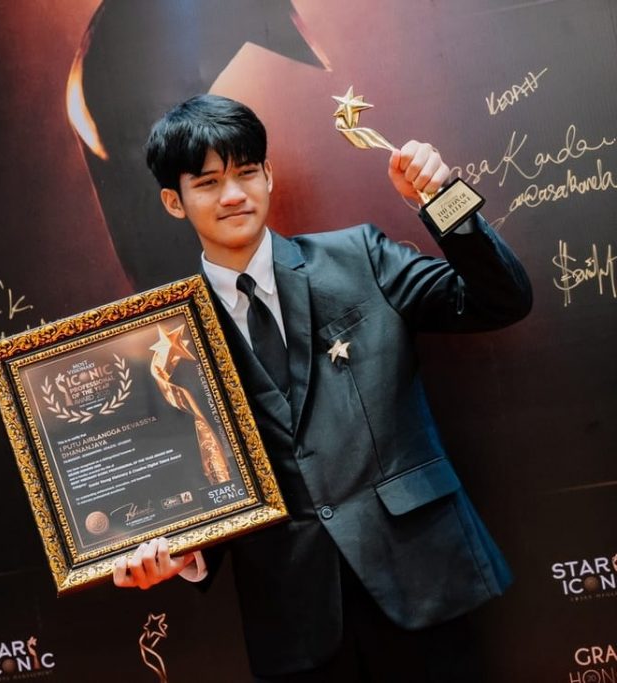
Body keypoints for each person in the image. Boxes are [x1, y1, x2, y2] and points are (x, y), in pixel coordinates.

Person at [112, 94, 532, 682]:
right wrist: (183, 554)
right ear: (173, 201)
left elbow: (502, 299)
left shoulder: (360, 256)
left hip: (422, 582)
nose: (233, 195)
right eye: (207, 183)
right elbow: (197, 478)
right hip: (294, 618)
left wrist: (442, 200)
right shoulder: (164, 339)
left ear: (268, 174)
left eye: (246, 172)